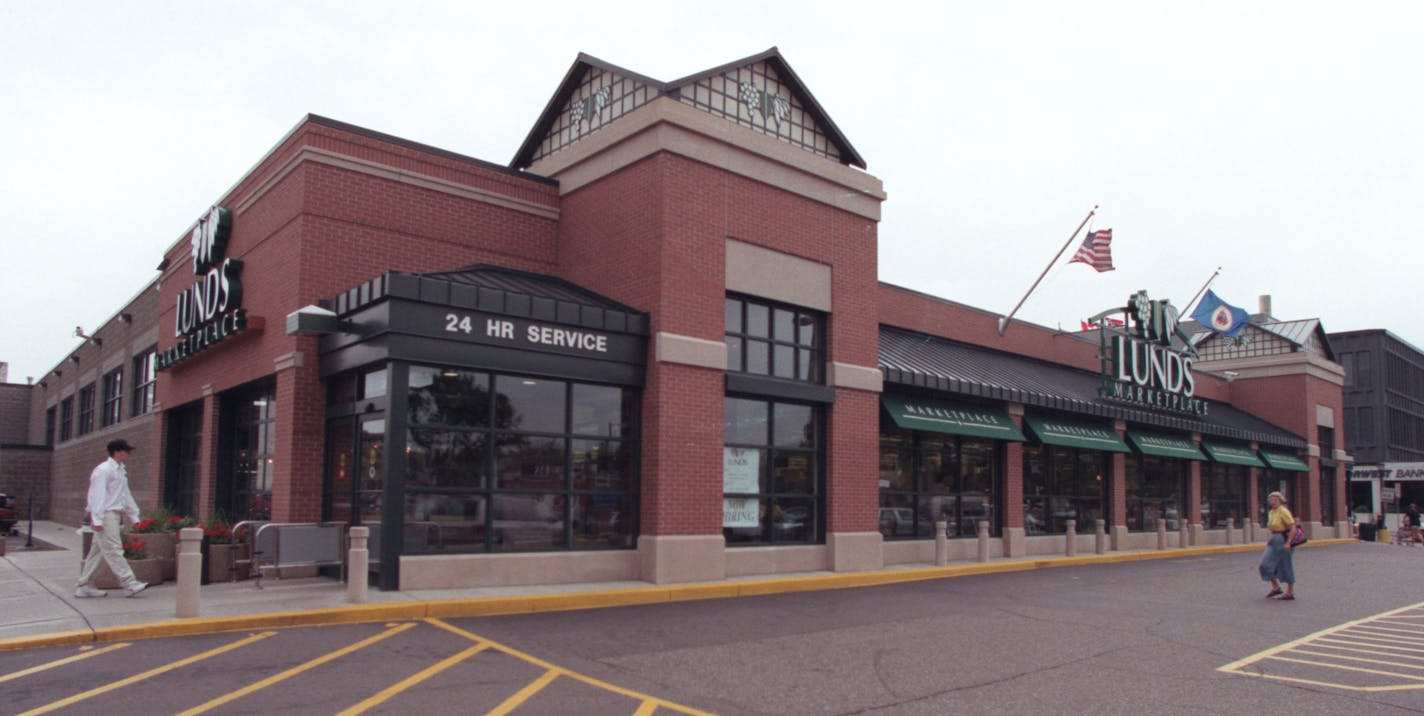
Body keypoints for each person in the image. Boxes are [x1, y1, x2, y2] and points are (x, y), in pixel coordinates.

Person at [74, 439, 148, 598]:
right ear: (117, 452)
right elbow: (96, 495)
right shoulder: (103, 470)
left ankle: (84, 585)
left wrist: (134, 516)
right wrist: (97, 519)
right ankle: (129, 583)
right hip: (106, 515)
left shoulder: (120, 471)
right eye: (127, 451)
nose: (129, 454)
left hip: (113, 515)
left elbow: (125, 495)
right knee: (114, 549)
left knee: (97, 552)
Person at [1258, 491, 1296, 601]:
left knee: (1285, 565)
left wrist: (1288, 542)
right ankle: (1276, 587)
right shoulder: (1272, 512)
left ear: (1280, 500)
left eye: (1275, 500)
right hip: (1274, 538)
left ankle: (1290, 592)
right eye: (1271, 500)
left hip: (1283, 538)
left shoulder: (1283, 511)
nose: (1272, 502)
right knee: (1265, 565)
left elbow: (1292, 526)